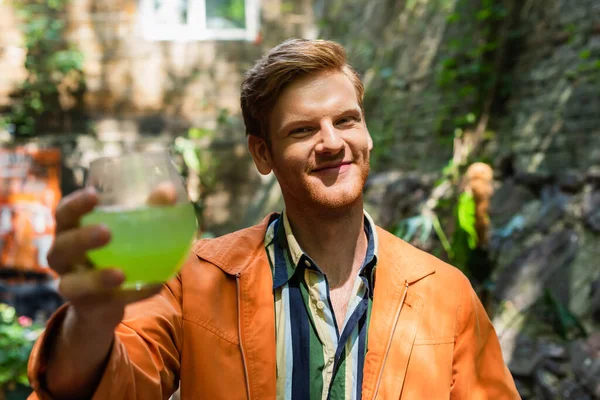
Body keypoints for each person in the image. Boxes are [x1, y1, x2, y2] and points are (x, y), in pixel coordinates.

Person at [27, 39, 519, 399]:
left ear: (366, 133)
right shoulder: (194, 280)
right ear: (263, 154)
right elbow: (101, 387)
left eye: (346, 120)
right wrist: (91, 319)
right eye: (303, 129)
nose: (332, 142)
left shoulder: (445, 294)